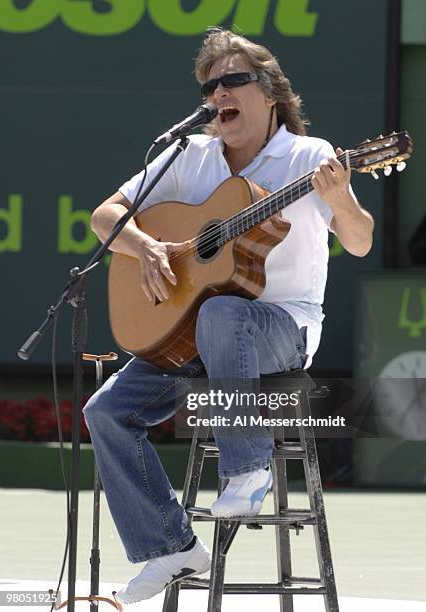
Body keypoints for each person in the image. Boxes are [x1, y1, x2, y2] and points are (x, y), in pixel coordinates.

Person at [83, 28, 374, 604]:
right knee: (107, 411)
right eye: (211, 86)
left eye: (234, 81)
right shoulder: (189, 156)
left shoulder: (309, 157)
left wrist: (340, 198)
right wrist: (145, 247)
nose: (219, 94)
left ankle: (248, 469)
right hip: (195, 336)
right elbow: (105, 215)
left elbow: (360, 241)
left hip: (281, 333)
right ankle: (171, 549)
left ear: (271, 94)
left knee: (223, 310)